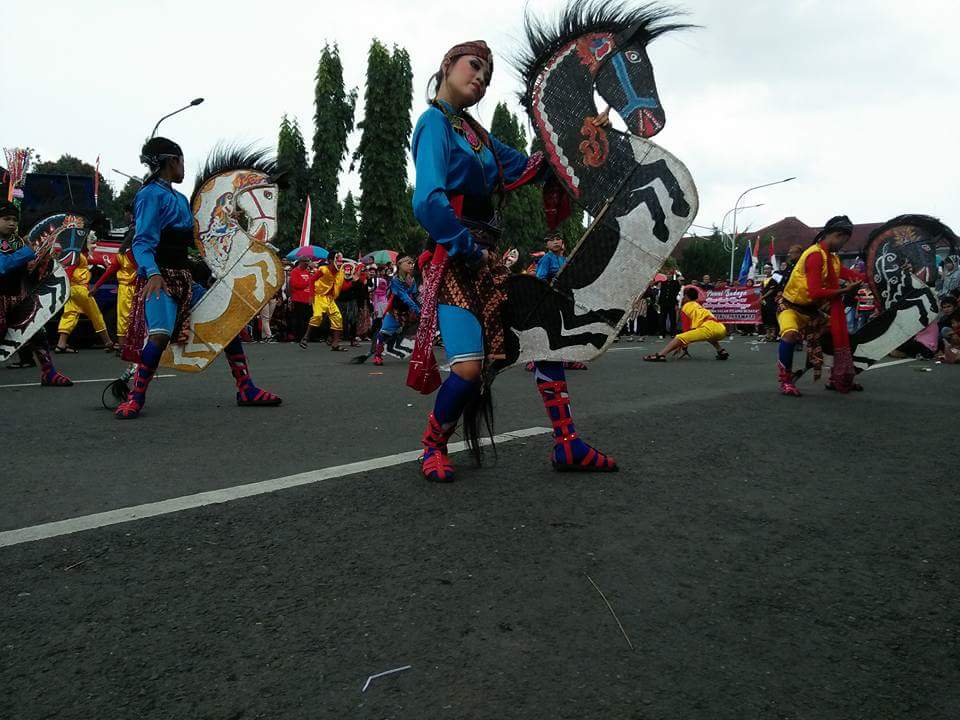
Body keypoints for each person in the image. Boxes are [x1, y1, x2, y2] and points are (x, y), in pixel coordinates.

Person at [411, 40, 616, 482]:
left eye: (487, 75)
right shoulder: (433, 124)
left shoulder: (479, 137)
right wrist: (467, 247)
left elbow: (533, 167)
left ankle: (567, 443)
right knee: (468, 369)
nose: (480, 78)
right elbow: (427, 201)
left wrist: (583, 133)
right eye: (473, 66)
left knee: (545, 335)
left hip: (487, 261)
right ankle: (433, 445)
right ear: (447, 65)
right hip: (454, 259)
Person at [114, 136, 281, 419]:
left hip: (185, 278)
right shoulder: (149, 196)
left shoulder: (180, 199)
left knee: (227, 321)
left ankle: (246, 388)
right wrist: (153, 273)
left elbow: (198, 239)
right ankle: (135, 398)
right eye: (182, 161)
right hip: (160, 278)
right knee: (160, 336)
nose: (184, 167)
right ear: (172, 161)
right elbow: (141, 242)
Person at [775, 215, 865, 396]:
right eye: (844, 241)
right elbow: (815, 292)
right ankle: (785, 381)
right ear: (838, 235)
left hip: (812, 311)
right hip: (790, 308)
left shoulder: (832, 259)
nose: (843, 245)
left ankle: (835, 377)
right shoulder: (816, 255)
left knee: (837, 333)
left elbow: (852, 275)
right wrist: (845, 290)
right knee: (790, 334)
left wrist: (873, 275)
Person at [0, 201, 73, 385]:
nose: (12, 223)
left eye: (14, 220)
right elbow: (3, 265)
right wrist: (28, 252)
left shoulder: (18, 241)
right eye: (6, 219)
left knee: (37, 331)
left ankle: (49, 373)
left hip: (18, 295)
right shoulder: (21, 246)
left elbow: (28, 267)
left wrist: (42, 258)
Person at [525, 232, 586, 370]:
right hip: (550, 299)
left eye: (558, 239)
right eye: (552, 240)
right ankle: (535, 361)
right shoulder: (546, 259)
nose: (556, 242)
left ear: (562, 242)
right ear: (547, 244)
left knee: (569, 328)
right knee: (549, 331)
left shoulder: (565, 259)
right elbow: (540, 280)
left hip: (566, 298)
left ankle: (568, 359)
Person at [643, 286, 729, 361]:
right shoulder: (697, 305)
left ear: (687, 297)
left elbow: (686, 329)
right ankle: (721, 351)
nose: (682, 297)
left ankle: (661, 355)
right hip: (721, 328)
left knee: (679, 337)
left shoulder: (685, 307)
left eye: (684, 296)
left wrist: (683, 345)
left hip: (708, 328)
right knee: (709, 335)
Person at [56, 245, 115, 352]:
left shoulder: (76, 254)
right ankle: (108, 342)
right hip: (80, 290)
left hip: (72, 290)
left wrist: (102, 262)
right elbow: (70, 271)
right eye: (91, 241)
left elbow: (88, 261)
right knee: (96, 315)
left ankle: (61, 344)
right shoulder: (77, 255)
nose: (95, 244)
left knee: (70, 314)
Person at [91, 235, 138, 348]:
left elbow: (109, 272)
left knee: (125, 317)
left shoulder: (121, 256)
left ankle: (123, 346)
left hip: (127, 290)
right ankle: (128, 346)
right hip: (135, 289)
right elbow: (109, 272)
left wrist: (96, 287)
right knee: (134, 317)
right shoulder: (140, 255)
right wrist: (96, 287)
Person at [300, 255, 347, 351]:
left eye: (341, 261)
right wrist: (311, 296)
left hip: (330, 299)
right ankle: (305, 338)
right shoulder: (323, 270)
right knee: (317, 316)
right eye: (337, 260)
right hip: (319, 296)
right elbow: (312, 280)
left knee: (338, 317)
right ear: (330, 261)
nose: (340, 263)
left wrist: (353, 280)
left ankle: (335, 344)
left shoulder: (340, 273)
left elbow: (345, 287)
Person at [288, 257, 315, 343]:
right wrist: (308, 282)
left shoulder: (307, 272)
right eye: (305, 263)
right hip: (298, 299)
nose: (307, 265)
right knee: (299, 319)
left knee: (308, 319)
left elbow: (311, 285)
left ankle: (306, 337)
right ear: (301, 262)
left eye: (308, 263)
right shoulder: (295, 272)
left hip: (307, 299)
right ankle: (298, 337)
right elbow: (295, 285)